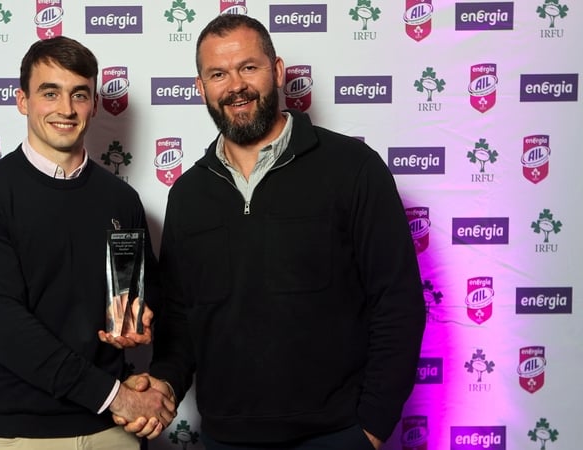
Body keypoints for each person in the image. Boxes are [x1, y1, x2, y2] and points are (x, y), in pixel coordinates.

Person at [118, 14, 426, 449]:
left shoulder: (352, 168)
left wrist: (372, 427)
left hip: (336, 435)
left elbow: (397, 302)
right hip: (227, 439)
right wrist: (165, 382)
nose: (236, 85)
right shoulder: (189, 193)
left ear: (277, 71)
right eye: (218, 74)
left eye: (249, 67)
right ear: (200, 87)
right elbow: (182, 318)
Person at [0, 36, 175, 449]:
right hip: (20, 433)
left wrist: (139, 317)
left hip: (113, 431)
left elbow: (138, 292)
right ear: (23, 101)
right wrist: (115, 396)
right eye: (49, 93)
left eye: (79, 95)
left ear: (94, 104)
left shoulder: (120, 199)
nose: (66, 109)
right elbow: (4, 328)